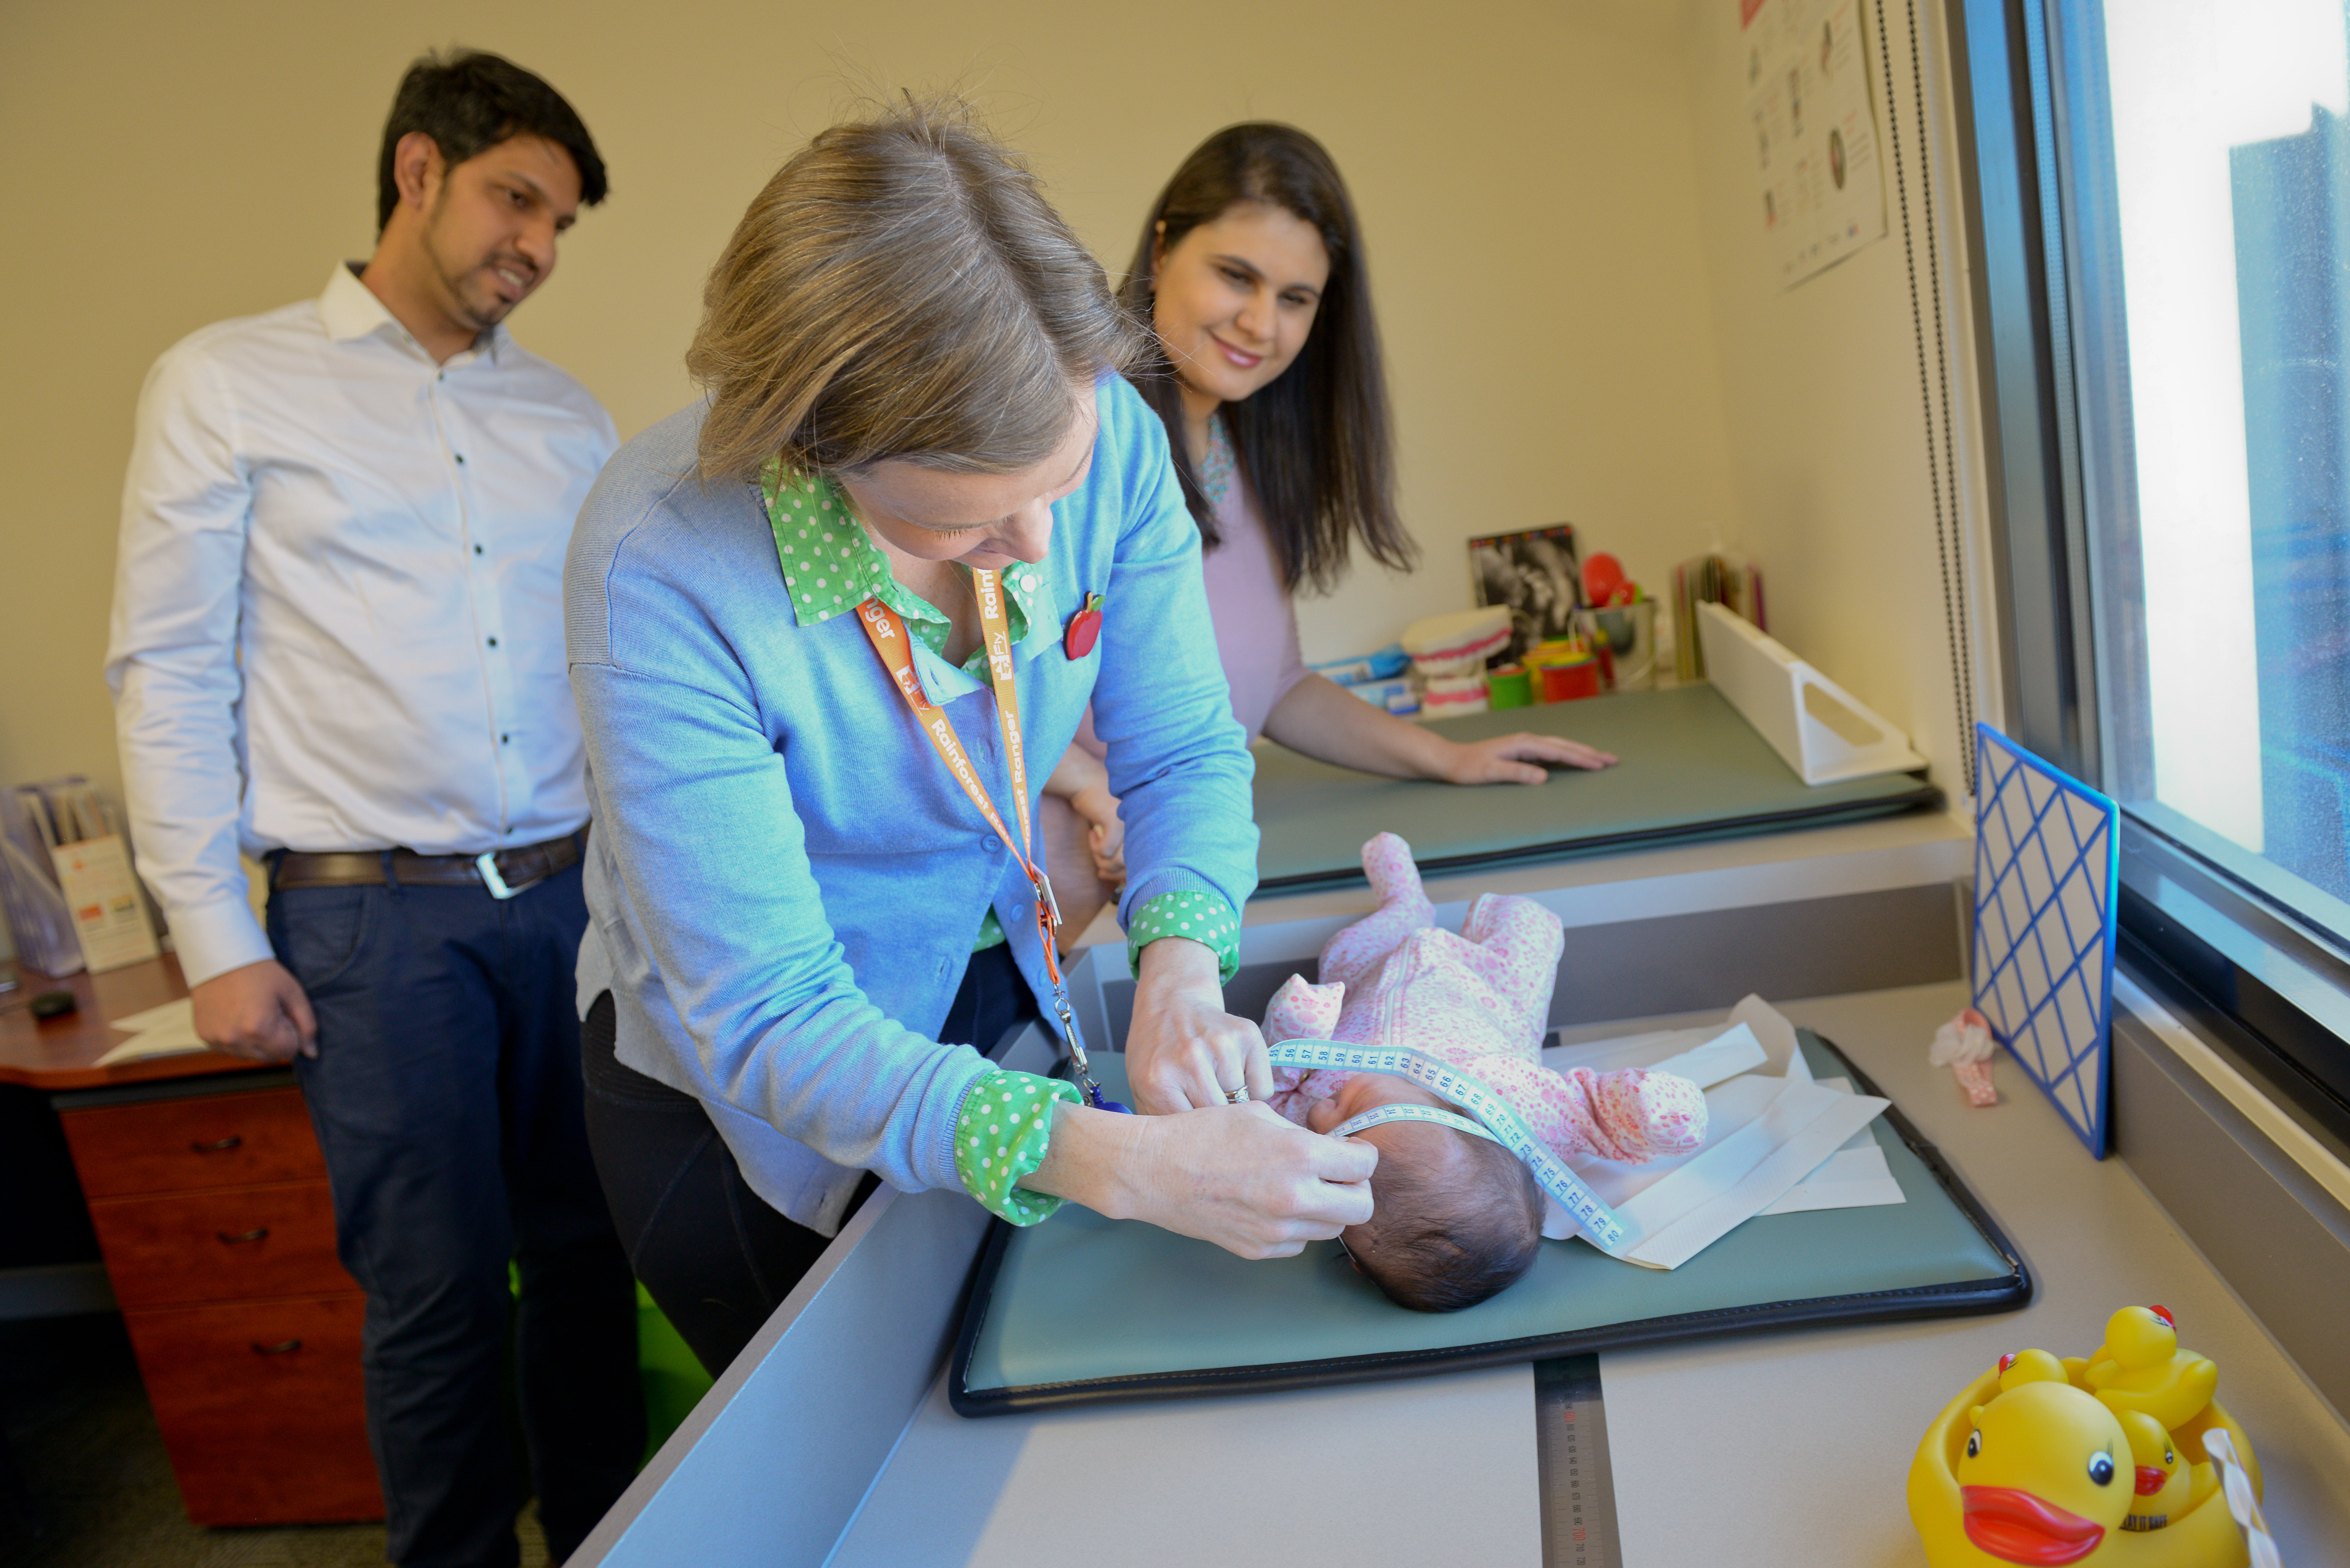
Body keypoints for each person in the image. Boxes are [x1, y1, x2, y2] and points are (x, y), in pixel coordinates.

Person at [567, 101, 1376, 1380]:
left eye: (1052, 491)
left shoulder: (1108, 425)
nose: (1039, 556)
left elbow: (1181, 751)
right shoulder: (659, 564)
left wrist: (1177, 976)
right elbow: (773, 1016)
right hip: (747, 1103)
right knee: (867, 1434)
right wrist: (1122, 1164)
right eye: (967, 526)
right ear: (819, 455)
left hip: (995, 976)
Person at [106, 51, 641, 1568]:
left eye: (560, 223)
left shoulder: (568, 417)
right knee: (440, 1291)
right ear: (418, 171)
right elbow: (169, 665)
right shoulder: (228, 380)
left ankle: (621, 1539)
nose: (534, 245)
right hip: (369, 917)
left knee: (592, 1259)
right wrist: (213, 933)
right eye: (513, 199)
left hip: (569, 898)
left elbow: (612, 666)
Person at [1040, 124, 1619, 940]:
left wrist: (1448, 757)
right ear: (1165, 247)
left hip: (1137, 906)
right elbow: (959, 687)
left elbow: (1274, 685)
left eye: (1295, 299)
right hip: (1015, 912)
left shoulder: (1240, 452)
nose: (1259, 323)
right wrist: (1090, 789)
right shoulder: (1078, 437)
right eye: (1235, 276)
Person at [1260, 834, 1707, 1311]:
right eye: (1361, 1110)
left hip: (1371, 972)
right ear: (1452, 1112)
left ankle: (1404, 902)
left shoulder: (1300, 1145)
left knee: (1355, 943)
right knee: (1528, 928)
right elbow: (1591, 1112)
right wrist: (1651, 1116)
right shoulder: (1510, 1102)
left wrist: (1294, 1026)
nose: (1329, 1111)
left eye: (1335, 1127)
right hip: (1485, 986)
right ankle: (1469, 912)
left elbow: (1266, 1086)